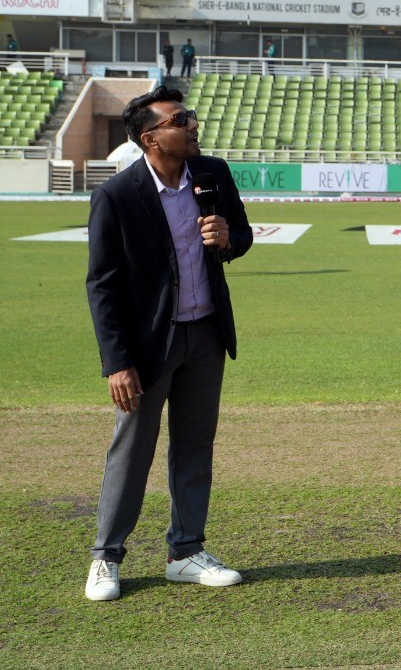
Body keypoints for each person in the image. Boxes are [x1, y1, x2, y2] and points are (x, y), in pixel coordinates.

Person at [83, 86, 254, 601]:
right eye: (182, 119)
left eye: (192, 117)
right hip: (147, 345)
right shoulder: (116, 195)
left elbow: (241, 237)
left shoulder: (213, 175)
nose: (194, 125)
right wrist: (117, 362)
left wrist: (227, 239)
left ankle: (185, 552)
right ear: (150, 138)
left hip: (205, 334)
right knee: (131, 450)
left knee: (195, 447)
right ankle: (106, 558)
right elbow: (102, 285)